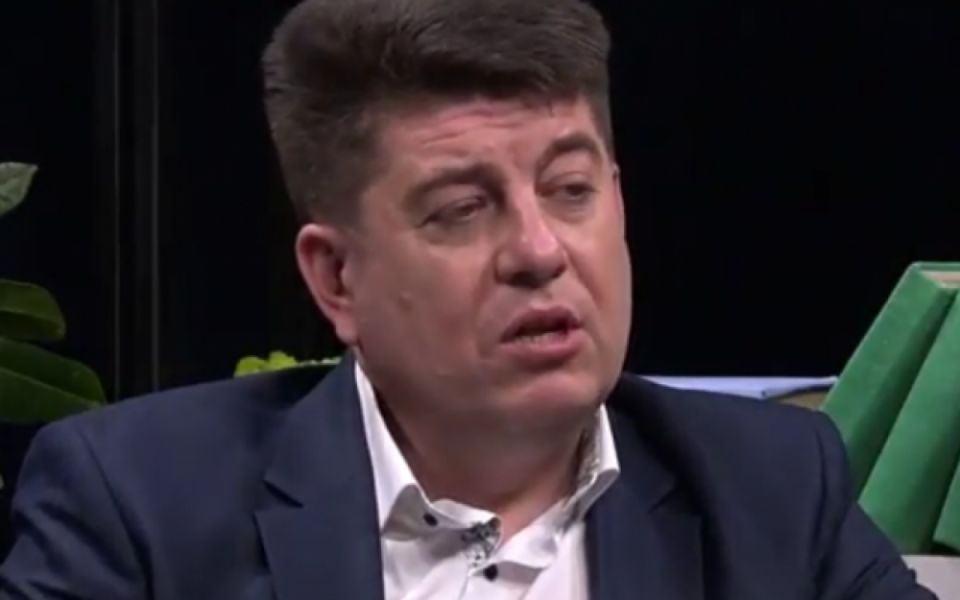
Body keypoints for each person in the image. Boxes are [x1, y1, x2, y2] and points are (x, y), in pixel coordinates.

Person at [0, 0, 937, 598]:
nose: (539, 251)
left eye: (570, 190)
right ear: (336, 278)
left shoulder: (770, 490)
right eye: (461, 209)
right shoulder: (140, 511)